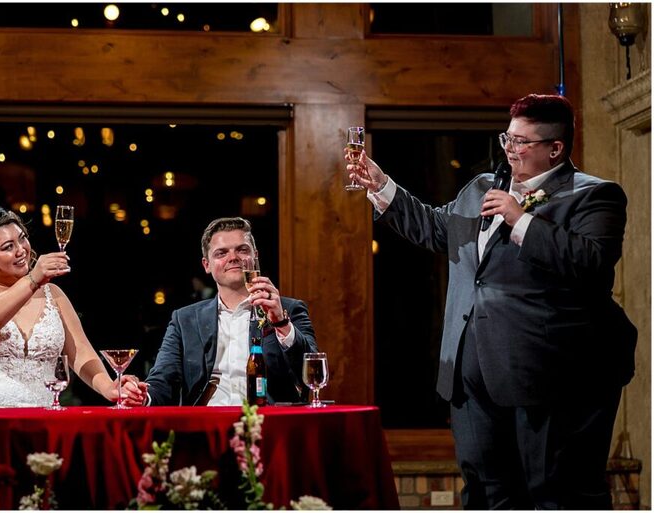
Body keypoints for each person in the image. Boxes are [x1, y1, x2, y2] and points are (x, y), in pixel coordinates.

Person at [347, 94, 636, 509]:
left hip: (550, 378)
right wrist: (381, 186)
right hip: (472, 372)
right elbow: (438, 229)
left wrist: (521, 219)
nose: (509, 149)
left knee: (558, 492)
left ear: (555, 148)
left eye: (522, 142)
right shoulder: (482, 187)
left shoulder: (593, 195)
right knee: (486, 491)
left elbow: (590, 262)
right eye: (507, 138)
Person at [0, 205, 144, 509]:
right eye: (8, 247)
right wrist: (32, 280)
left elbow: (81, 352)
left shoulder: (53, 295)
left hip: (43, 425)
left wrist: (109, 387)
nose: (22, 250)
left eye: (22, 238)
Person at [143, 217, 317, 405]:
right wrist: (141, 395)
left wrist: (281, 323)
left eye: (242, 250)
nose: (233, 257)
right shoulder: (185, 319)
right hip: (206, 420)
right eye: (221, 253)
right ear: (207, 265)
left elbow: (312, 373)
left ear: (255, 257)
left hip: (267, 418)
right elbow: (162, 381)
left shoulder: (288, 310)